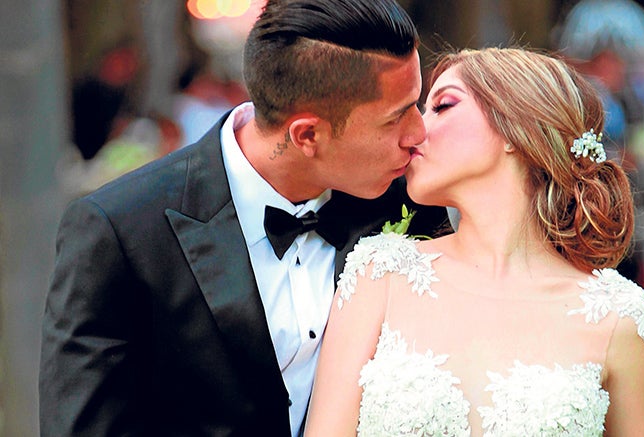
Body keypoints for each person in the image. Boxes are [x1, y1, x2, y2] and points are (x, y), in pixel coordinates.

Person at [39, 1, 448, 435]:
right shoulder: (120, 232)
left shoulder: (409, 200)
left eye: (417, 104)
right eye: (395, 118)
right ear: (307, 134)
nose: (419, 132)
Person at [305, 47, 644, 436]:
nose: (414, 132)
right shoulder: (378, 275)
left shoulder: (619, 318)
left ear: (517, 128)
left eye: (442, 106)